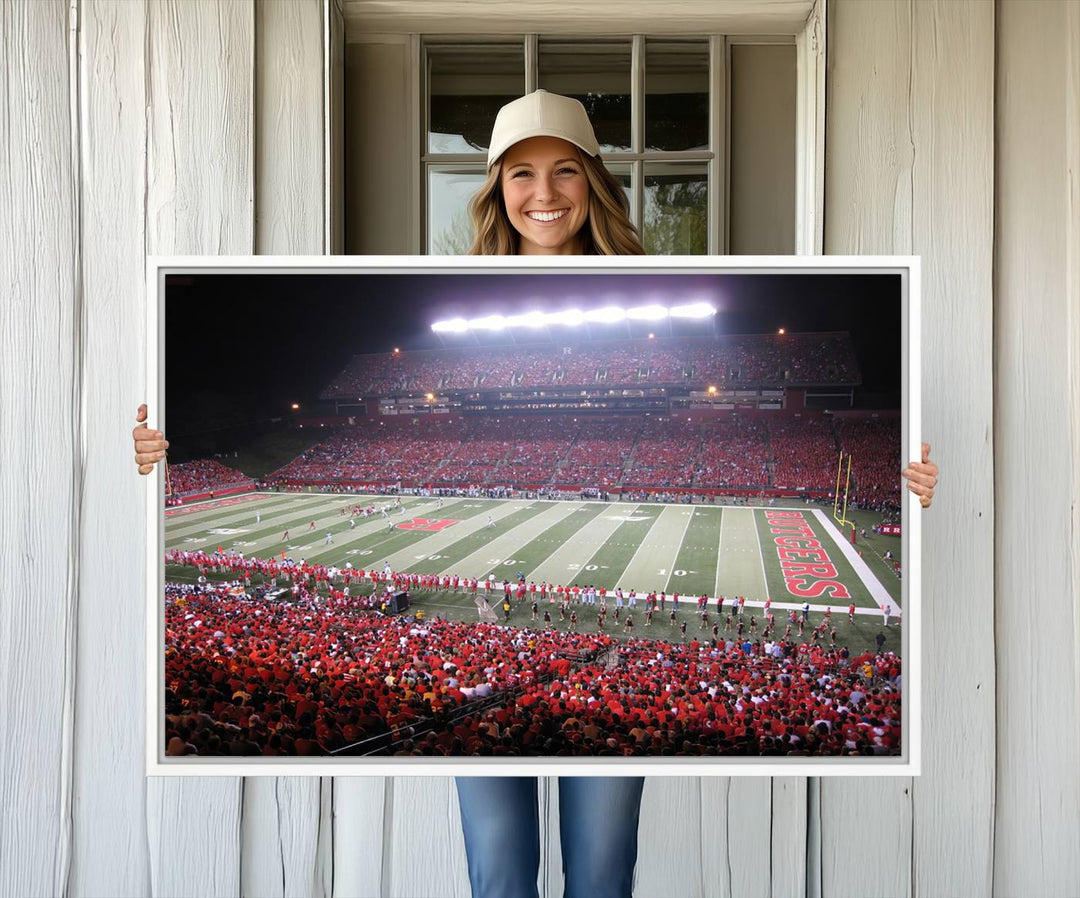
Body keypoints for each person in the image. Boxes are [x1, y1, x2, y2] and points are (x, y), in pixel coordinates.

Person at [133, 89, 939, 898]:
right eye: (521, 173)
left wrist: (911, 480)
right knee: (499, 874)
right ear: (494, 188)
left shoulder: (661, 279)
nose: (544, 193)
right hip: (493, 722)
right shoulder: (450, 282)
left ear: (595, 181)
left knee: (599, 873)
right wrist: (152, 456)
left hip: (572, 715)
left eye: (564, 171)